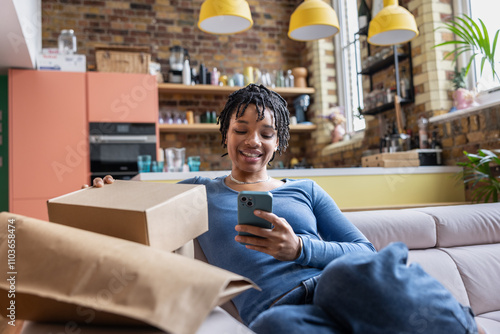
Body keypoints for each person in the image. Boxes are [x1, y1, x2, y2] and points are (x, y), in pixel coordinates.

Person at [91, 84, 483, 334]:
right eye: (240, 129)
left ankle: (464, 328)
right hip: (281, 306)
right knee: (275, 326)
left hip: (342, 284)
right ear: (225, 134)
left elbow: (365, 253)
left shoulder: (306, 189)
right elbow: (138, 209)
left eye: (266, 132)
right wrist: (109, 193)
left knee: (342, 277)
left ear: (278, 143)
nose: (252, 141)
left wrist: (299, 249)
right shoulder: (197, 191)